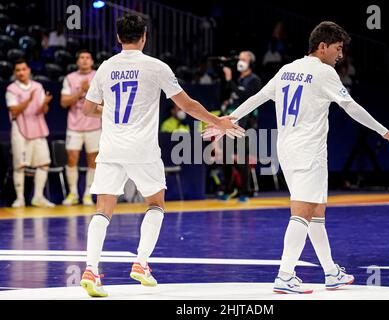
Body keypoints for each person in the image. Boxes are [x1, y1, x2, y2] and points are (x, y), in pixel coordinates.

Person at [204, 21, 389, 294]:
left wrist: (231, 117)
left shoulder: (287, 69)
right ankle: (285, 275)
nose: (340, 55)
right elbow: (351, 107)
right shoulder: (324, 73)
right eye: (337, 48)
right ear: (322, 47)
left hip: (288, 150)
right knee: (303, 213)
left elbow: (259, 97)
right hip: (310, 153)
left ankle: (331, 272)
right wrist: (383, 130)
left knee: (316, 212)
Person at [79, 14, 243, 298]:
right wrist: (218, 122)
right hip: (142, 149)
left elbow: (87, 110)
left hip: (111, 148)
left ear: (118, 38)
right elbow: (187, 104)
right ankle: (141, 263)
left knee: (103, 208)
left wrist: (109, 108)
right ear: (144, 37)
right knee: (155, 203)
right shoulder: (156, 67)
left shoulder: (105, 68)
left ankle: (91, 269)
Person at [5, 59, 55, 208]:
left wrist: (45, 103)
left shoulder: (38, 86)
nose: (21, 72)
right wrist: (28, 100)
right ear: (15, 73)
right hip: (20, 129)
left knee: (44, 163)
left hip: (38, 127)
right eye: (18, 70)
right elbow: (14, 110)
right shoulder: (11, 89)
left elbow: (42, 111)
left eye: (24, 69)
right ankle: (20, 199)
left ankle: (38, 197)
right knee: (20, 165)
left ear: (29, 71)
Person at [220, 51, 262, 202]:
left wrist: (230, 80)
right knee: (225, 157)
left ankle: (245, 191)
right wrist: (229, 81)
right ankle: (228, 189)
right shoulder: (239, 80)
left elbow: (246, 98)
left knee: (242, 159)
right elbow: (231, 94)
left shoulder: (254, 80)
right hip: (232, 122)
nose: (240, 61)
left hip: (246, 124)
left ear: (251, 62)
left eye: (244, 59)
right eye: (239, 58)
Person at [60, 50, 99, 206]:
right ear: (77, 61)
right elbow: (64, 102)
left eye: (87, 58)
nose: (84, 60)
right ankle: (73, 193)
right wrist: (81, 91)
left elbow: (104, 100)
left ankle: (88, 194)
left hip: (94, 125)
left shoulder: (98, 76)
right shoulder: (70, 78)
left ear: (92, 61)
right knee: (71, 159)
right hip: (74, 126)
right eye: (81, 57)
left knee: (93, 161)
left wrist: (89, 90)